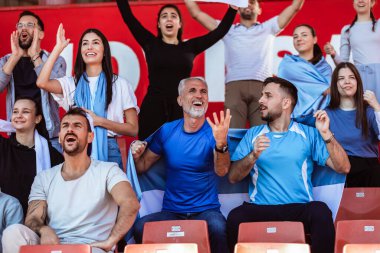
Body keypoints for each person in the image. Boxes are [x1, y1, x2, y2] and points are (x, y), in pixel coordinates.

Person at [226, 77, 350, 253]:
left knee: (320, 212)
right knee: (235, 217)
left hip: (299, 208)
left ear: (286, 103)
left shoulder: (308, 133)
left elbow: (343, 167)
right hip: (261, 208)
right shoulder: (253, 134)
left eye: (268, 96)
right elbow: (233, 177)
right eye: (261, 95)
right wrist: (252, 155)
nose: (260, 100)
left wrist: (326, 133)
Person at [1, 107, 140, 253]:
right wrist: (43, 229)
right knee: (14, 232)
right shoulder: (44, 177)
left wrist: (111, 241)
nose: (70, 129)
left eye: (77, 126)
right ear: (60, 137)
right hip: (54, 247)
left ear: (90, 136)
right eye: (65, 126)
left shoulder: (108, 171)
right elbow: (32, 219)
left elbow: (130, 204)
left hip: (91, 248)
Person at [130, 77, 231, 253]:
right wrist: (137, 156)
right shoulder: (167, 130)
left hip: (206, 211)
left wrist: (221, 143)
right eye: (192, 91)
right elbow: (142, 166)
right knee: (140, 228)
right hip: (172, 212)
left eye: (203, 92)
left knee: (219, 228)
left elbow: (221, 171)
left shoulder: (217, 132)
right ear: (180, 100)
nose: (199, 95)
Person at [116, 0, 237, 140]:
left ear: (179, 24)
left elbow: (219, 32)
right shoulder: (150, 43)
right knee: (148, 155)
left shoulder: (189, 47)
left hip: (180, 110)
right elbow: (128, 17)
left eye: (173, 16)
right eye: (164, 16)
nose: (169, 18)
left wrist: (232, 9)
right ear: (159, 24)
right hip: (153, 109)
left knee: (178, 155)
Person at [184, 0, 304, 128]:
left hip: (262, 86)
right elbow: (196, 13)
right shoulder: (227, 29)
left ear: (259, 9)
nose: (248, 5)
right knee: (233, 133)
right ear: (238, 8)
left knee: (262, 135)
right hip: (235, 86)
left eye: (252, 2)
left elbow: (295, 7)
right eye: (244, 2)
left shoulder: (269, 27)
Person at [36, 24, 139, 169]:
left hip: (109, 150)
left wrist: (98, 121)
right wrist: (58, 48)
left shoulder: (120, 84)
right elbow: (42, 82)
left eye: (95, 43)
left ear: (104, 51)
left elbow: (133, 129)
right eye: (85, 44)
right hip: (77, 149)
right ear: (81, 52)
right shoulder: (71, 83)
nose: (89, 47)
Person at [0, 10, 66, 152]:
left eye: (30, 25)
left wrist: (35, 56)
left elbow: (55, 87)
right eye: (20, 25)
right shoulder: (6, 60)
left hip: (49, 137)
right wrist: (15, 56)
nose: (23, 28)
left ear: (41, 34)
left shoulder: (55, 61)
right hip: (17, 136)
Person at [0, 97, 63, 215]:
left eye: (25, 111)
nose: (19, 115)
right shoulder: (2, 146)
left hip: (36, 220)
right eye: (15, 111)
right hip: (4, 219)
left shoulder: (52, 155)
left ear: (38, 119)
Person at [327, 62, 380, 187]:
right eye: (341, 78)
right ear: (335, 84)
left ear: (358, 82)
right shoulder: (326, 114)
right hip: (339, 172)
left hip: (369, 172)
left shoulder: (369, 110)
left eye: (351, 77)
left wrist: (377, 106)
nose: (347, 82)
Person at [324, 0, 380, 99]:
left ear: (372, 2)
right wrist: (333, 54)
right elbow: (343, 64)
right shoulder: (347, 30)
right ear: (353, 3)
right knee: (363, 111)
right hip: (360, 77)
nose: (361, 1)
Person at [278, 24, 331, 125]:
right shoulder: (287, 64)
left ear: (314, 39)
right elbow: (325, 89)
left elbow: (329, 94)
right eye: (295, 37)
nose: (299, 39)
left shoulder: (325, 68)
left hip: (319, 121)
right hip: (291, 122)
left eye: (304, 35)